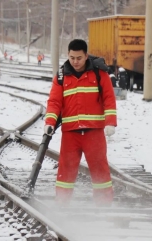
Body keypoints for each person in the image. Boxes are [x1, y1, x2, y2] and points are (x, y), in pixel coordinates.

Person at [44, 39, 117, 205]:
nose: (75, 62)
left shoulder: (100, 73)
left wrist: (110, 122)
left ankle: (103, 205)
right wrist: (50, 122)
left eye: (78, 58)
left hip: (94, 132)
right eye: (71, 58)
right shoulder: (61, 76)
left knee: (100, 170)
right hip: (71, 134)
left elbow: (109, 98)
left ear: (86, 56)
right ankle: (61, 205)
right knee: (66, 171)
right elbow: (55, 102)